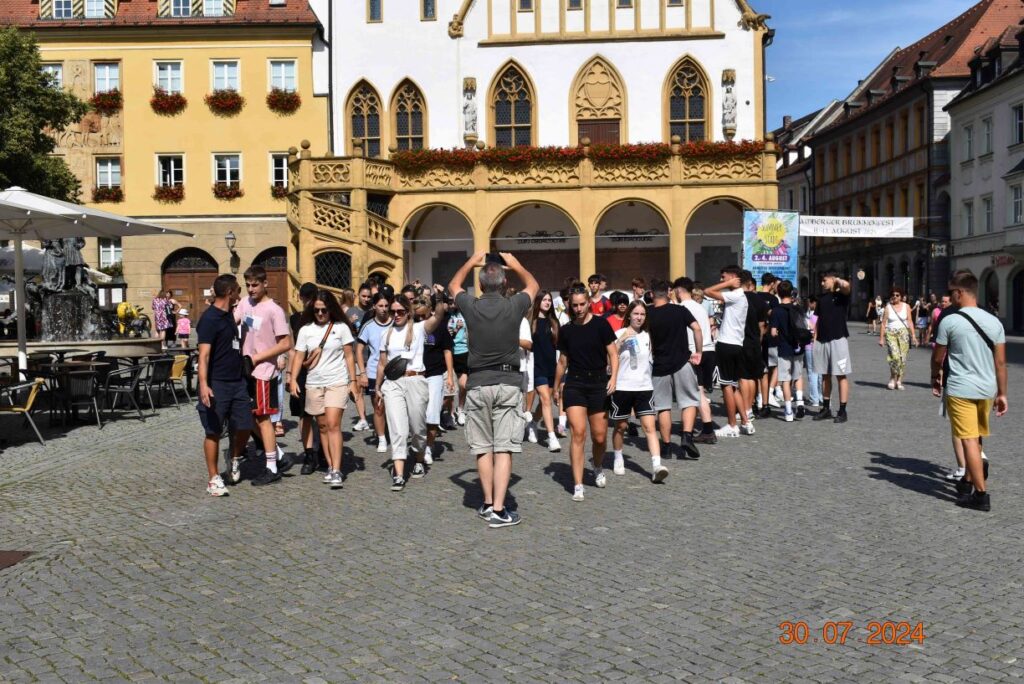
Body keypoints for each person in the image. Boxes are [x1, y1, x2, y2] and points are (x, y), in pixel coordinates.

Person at [449, 251, 539, 528]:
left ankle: (488, 503)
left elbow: (453, 286)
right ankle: (499, 509)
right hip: (508, 383)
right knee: (504, 448)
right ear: (502, 283)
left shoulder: (471, 305)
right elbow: (534, 286)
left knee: (483, 448)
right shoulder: (513, 306)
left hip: (477, 383)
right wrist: (516, 264)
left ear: (481, 284)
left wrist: (471, 262)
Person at [931, 270, 1007, 512]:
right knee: (976, 435)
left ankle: (981, 495)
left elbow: (938, 357)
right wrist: (1002, 394)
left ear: (959, 293)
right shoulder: (994, 321)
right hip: (987, 389)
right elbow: (1001, 363)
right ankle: (966, 482)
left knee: (969, 439)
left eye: (953, 292)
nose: (951, 296)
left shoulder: (950, 321)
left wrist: (935, 376)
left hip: (961, 387)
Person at [375, 292, 445, 492]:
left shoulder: (419, 328)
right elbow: (382, 363)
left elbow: (438, 316)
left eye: (401, 311)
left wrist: (439, 300)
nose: (396, 315)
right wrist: (378, 387)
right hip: (393, 383)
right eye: (393, 311)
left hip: (416, 380)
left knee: (418, 428)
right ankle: (398, 474)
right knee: (398, 429)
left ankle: (419, 458)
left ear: (409, 312)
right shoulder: (385, 333)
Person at [554, 284, 618, 501]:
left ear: (589, 303)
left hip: (599, 383)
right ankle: (578, 483)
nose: (579, 308)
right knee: (578, 432)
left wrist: (614, 378)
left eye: (582, 304)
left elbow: (613, 353)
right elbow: (563, 361)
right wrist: (556, 386)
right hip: (575, 384)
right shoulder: (567, 330)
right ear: (570, 306)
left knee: (599, 437)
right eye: (575, 305)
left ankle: (597, 464)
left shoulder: (601, 325)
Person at [288, 290, 357, 489]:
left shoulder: (341, 327)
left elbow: (349, 356)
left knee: (334, 424)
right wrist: (292, 379)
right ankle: (329, 466)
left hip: (337, 381)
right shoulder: (305, 330)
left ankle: (337, 469)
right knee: (324, 426)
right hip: (313, 383)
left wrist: (352, 380)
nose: (320, 314)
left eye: (324, 310)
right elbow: (299, 356)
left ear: (331, 309)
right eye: (317, 310)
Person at [235, 265, 294, 485]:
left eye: (255, 285)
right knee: (248, 415)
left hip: (263, 370)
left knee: (263, 417)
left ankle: (271, 467)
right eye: (248, 285)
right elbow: (234, 321)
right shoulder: (244, 302)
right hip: (246, 368)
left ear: (265, 284)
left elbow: (286, 343)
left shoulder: (273, 310)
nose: (250, 289)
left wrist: (259, 358)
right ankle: (278, 456)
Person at [196, 274, 252, 497]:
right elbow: (204, 356)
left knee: (245, 424)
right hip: (217, 383)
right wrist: (203, 384)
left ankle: (234, 456)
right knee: (214, 431)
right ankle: (214, 478)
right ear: (230, 292)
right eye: (238, 289)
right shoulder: (209, 319)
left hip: (237, 381)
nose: (240, 294)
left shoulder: (229, 314)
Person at [610, 300, 668, 482]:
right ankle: (618, 457)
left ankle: (656, 465)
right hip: (622, 387)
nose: (639, 317)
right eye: (636, 314)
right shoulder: (619, 334)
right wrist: (620, 341)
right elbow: (608, 359)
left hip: (644, 387)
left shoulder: (647, 336)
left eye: (642, 314)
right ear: (629, 315)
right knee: (620, 426)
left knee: (650, 427)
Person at [647, 279, 703, 459]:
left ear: (651, 294)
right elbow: (697, 328)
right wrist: (699, 352)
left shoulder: (648, 314)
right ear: (669, 292)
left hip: (660, 364)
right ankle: (687, 436)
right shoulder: (680, 310)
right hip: (682, 361)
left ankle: (666, 446)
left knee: (663, 407)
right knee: (689, 401)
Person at [704, 267, 755, 438]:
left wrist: (728, 284)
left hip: (727, 343)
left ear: (734, 277)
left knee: (727, 385)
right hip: (736, 344)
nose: (721, 279)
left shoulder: (736, 294)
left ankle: (732, 424)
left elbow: (707, 291)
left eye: (724, 277)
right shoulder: (741, 296)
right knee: (733, 386)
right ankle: (746, 422)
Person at [674, 278, 718, 444]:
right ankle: (691, 425)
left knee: (697, 393)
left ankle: (707, 429)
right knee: (698, 391)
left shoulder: (682, 308)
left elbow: (687, 333)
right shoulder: (699, 306)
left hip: (695, 353)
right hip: (709, 350)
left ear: (679, 290)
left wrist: (691, 353)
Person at [288, 282, 320, 474]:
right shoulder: (295, 319)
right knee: (304, 415)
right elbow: (292, 350)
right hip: (301, 372)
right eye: (305, 298)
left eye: (310, 298)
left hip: (320, 371)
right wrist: (290, 375)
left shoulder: (321, 318)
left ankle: (322, 451)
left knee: (321, 415)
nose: (307, 302)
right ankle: (309, 454)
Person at [356, 292, 393, 453]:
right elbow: (358, 349)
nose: (384, 309)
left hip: (395, 372)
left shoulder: (396, 323)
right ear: (374, 307)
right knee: (378, 407)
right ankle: (382, 438)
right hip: (373, 372)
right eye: (380, 306)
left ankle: (396, 434)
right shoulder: (368, 326)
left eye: (386, 306)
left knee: (395, 406)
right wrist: (362, 373)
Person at [420, 295, 455, 465]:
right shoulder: (411, 326)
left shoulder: (440, 327)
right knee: (416, 414)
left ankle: (429, 447)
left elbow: (447, 350)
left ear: (430, 309)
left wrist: (449, 376)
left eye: (422, 306)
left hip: (435, 374)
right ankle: (417, 443)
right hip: (416, 376)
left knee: (432, 414)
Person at [769, 280, 806, 422]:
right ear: (791, 292)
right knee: (798, 375)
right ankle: (800, 402)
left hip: (784, 347)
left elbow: (773, 332)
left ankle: (789, 410)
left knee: (785, 378)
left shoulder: (777, 310)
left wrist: (780, 333)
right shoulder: (798, 308)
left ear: (778, 292)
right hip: (798, 346)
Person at [528, 290, 561, 453]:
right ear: (538, 302)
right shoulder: (531, 322)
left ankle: (534, 422)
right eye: (544, 300)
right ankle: (551, 437)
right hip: (536, 366)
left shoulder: (554, 322)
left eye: (549, 300)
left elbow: (559, 346)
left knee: (544, 402)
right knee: (546, 399)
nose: (547, 303)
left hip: (551, 366)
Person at [879, 287, 916, 390]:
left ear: (901, 297)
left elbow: (910, 321)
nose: (895, 297)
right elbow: (883, 324)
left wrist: (913, 336)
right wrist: (881, 338)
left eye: (897, 295)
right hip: (891, 333)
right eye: (893, 295)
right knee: (894, 356)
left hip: (903, 333)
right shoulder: (888, 307)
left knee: (902, 358)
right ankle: (892, 377)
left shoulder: (906, 306)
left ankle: (899, 380)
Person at [447, 302, 469, 426]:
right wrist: (456, 329)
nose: (454, 303)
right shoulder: (447, 315)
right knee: (449, 386)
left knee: (463, 385)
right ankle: (448, 413)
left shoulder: (466, 314)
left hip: (464, 351)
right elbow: (447, 334)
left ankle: (460, 409)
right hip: (449, 351)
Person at [803, 296, 823, 408]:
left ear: (813, 303)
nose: (808, 305)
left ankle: (814, 398)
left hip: (810, 346)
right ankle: (821, 397)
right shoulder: (824, 315)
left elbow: (809, 331)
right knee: (821, 373)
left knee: (812, 373)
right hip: (821, 346)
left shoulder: (813, 316)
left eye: (808, 303)